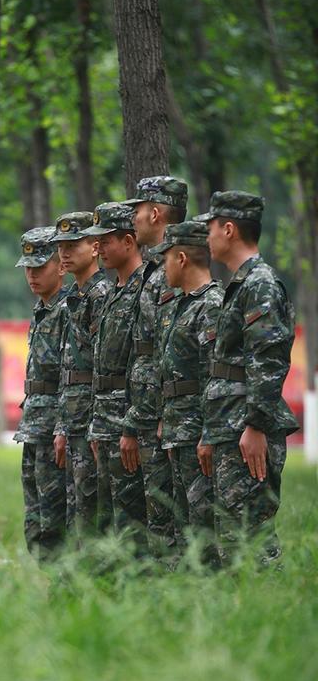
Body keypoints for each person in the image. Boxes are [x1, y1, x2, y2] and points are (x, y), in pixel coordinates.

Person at [194, 192, 298, 565]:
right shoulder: (241, 285)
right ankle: (245, 610)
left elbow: (268, 361)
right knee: (232, 541)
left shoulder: (260, 285)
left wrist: (255, 425)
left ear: (229, 228)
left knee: (253, 541)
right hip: (229, 424)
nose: (206, 237)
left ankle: (269, 609)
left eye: (210, 228)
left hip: (247, 428)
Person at [120, 175, 188, 558]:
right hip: (150, 416)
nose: (133, 218)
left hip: (164, 419)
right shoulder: (154, 270)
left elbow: (169, 353)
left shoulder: (173, 272)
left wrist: (150, 416)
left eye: (138, 210)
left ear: (156, 213)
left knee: (170, 523)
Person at [152, 221, 223, 565]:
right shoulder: (182, 304)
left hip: (198, 434)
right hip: (179, 431)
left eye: (165, 259)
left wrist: (209, 433)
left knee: (202, 526)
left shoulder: (210, 304)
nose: (162, 266)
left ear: (181, 258)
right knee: (183, 526)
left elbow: (213, 376)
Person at [86, 202, 148, 552]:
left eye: (105, 241)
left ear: (128, 241)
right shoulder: (112, 293)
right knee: (108, 520)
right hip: (105, 423)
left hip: (127, 421)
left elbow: (143, 365)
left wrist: (132, 426)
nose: (98, 248)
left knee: (132, 522)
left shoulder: (144, 291)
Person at [51, 212, 112, 541]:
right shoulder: (72, 298)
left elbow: (102, 367)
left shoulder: (101, 295)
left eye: (74, 244)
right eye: (61, 246)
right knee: (76, 510)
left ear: (94, 247)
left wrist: (95, 426)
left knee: (92, 511)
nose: (65, 252)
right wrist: (62, 424)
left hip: (92, 420)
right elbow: (68, 369)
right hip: (73, 421)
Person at [14, 227, 69, 561]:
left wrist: (62, 426)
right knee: (35, 517)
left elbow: (71, 376)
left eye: (40, 267)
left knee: (54, 517)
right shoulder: (41, 311)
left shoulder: (69, 309)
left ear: (60, 266)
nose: (32, 275)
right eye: (28, 268)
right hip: (34, 426)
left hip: (54, 429)